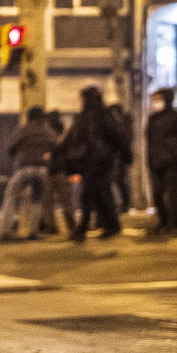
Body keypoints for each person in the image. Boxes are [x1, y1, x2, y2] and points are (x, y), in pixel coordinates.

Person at [59, 85, 129, 240]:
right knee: (101, 195)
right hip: (95, 162)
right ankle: (112, 226)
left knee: (88, 195)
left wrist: (59, 151)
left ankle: (82, 230)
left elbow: (116, 137)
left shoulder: (99, 117)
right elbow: (72, 138)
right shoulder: (95, 116)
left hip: (98, 163)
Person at [0, 107, 57, 240]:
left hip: (25, 167)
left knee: (11, 195)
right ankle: (33, 232)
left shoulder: (24, 129)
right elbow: (56, 147)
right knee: (37, 200)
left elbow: (11, 147)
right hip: (42, 170)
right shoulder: (48, 131)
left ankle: (5, 230)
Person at [146, 88, 177, 236]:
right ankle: (163, 222)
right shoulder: (152, 119)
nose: (156, 102)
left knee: (171, 194)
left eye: (158, 99)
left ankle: (174, 224)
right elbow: (149, 140)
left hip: (172, 163)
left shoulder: (176, 118)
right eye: (154, 100)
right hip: (156, 163)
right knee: (157, 193)